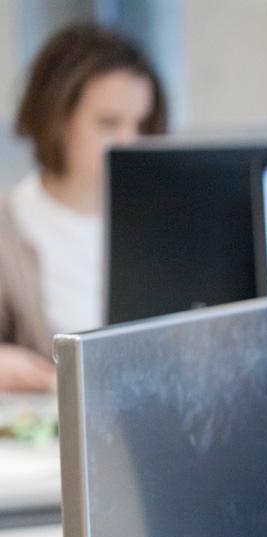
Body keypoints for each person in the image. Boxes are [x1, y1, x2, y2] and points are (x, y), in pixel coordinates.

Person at [0, 22, 168, 392]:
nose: (129, 142)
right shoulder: (10, 228)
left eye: (141, 123)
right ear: (56, 121)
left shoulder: (164, 222)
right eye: (108, 123)